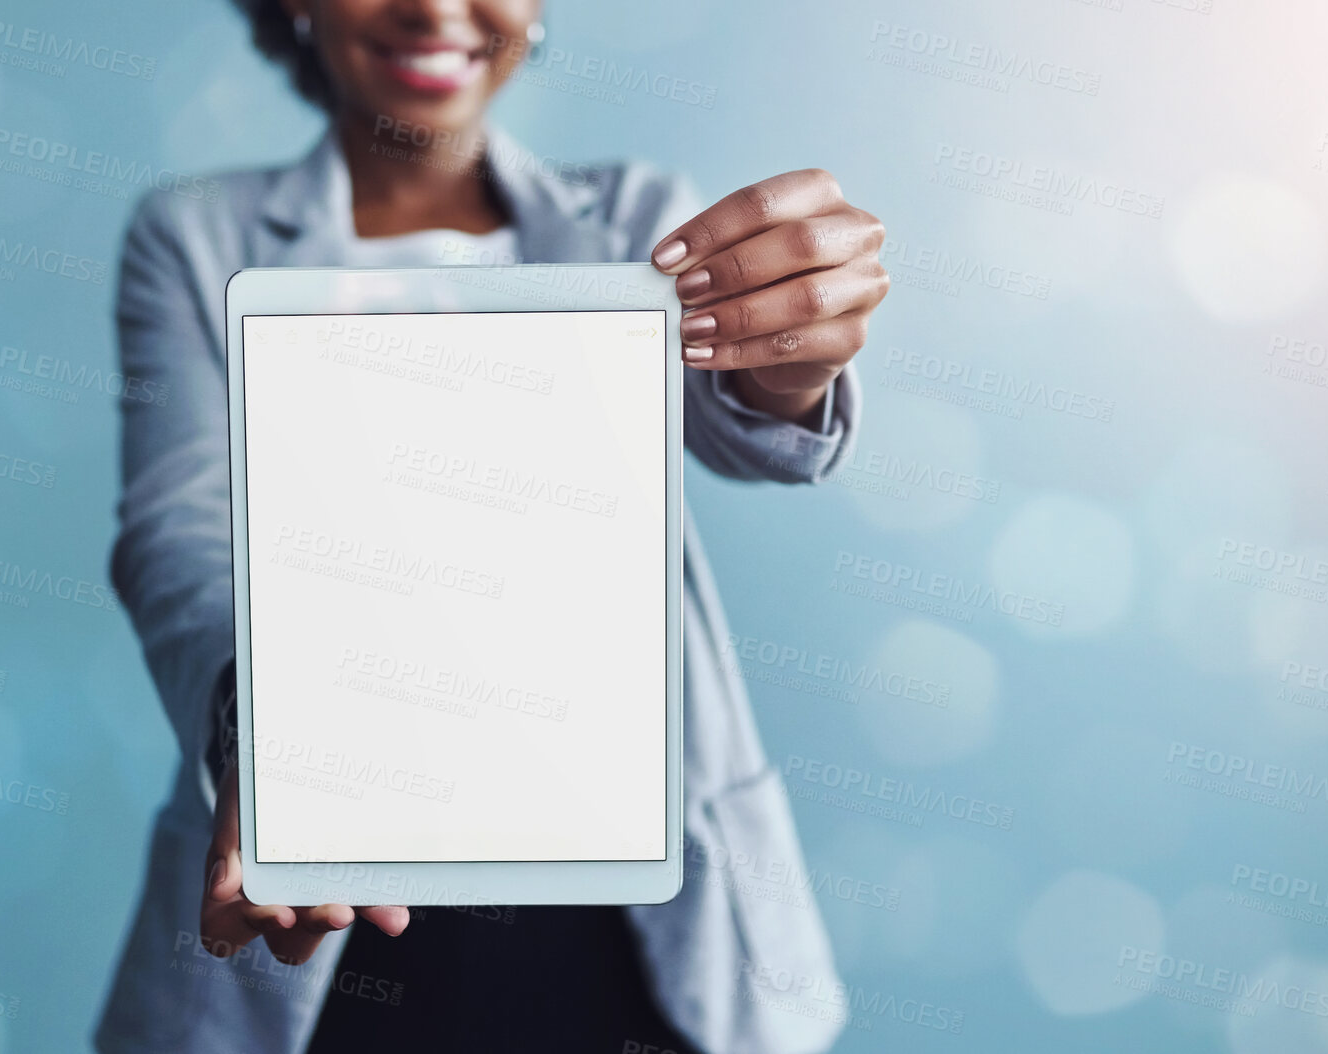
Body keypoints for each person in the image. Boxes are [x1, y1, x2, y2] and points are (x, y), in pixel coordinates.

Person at [95, 2, 890, 1052]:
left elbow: (751, 431)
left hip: (639, 921)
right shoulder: (195, 232)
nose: (433, 5)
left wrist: (792, 365)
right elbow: (176, 532)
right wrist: (267, 726)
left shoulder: (634, 216)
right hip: (332, 899)